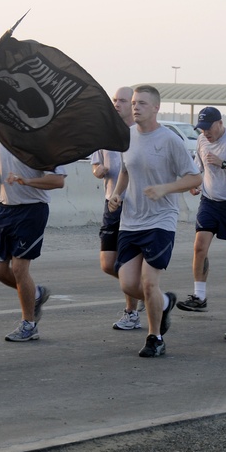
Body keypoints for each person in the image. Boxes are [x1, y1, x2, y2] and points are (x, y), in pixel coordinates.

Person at [108, 85, 201, 358]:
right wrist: (116, 194)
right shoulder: (126, 137)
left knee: (149, 283)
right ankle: (163, 302)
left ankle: (155, 337)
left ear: (156, 108)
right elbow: (125, 171)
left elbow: (194, 178)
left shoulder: (170, 140)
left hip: (161, 219)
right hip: (131, 219)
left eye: (142, 103)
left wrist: (165, 188)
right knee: (127, 284)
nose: (136, 107)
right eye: (134, 102)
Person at [0, 136, 66, 341]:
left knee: (19, 269)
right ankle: (35, 294)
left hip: (31, 210)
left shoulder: (41, 138)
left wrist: (27, 181)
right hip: (4, 209)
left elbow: (57, 180)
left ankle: (28, 325)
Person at [176, 107, 226, 313]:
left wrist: (222, 163)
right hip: (210, 201)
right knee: (199, 247)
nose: (205, 133)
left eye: (208, 128)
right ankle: (199, 296)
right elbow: (198, 167)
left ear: (220, 123)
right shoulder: (202, 141)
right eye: (201, 129)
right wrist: (194, 183)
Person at [91, 86, 143, 331]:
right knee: (108, 263)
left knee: (125, 261)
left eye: (122, 100)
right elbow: (96, 164)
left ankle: (131, 312)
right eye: (115, 100)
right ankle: (148, 293)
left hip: (135, 205)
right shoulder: (105, 133)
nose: (117, 104)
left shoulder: (139, 134)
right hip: (111, 201)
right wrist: (97, 171)